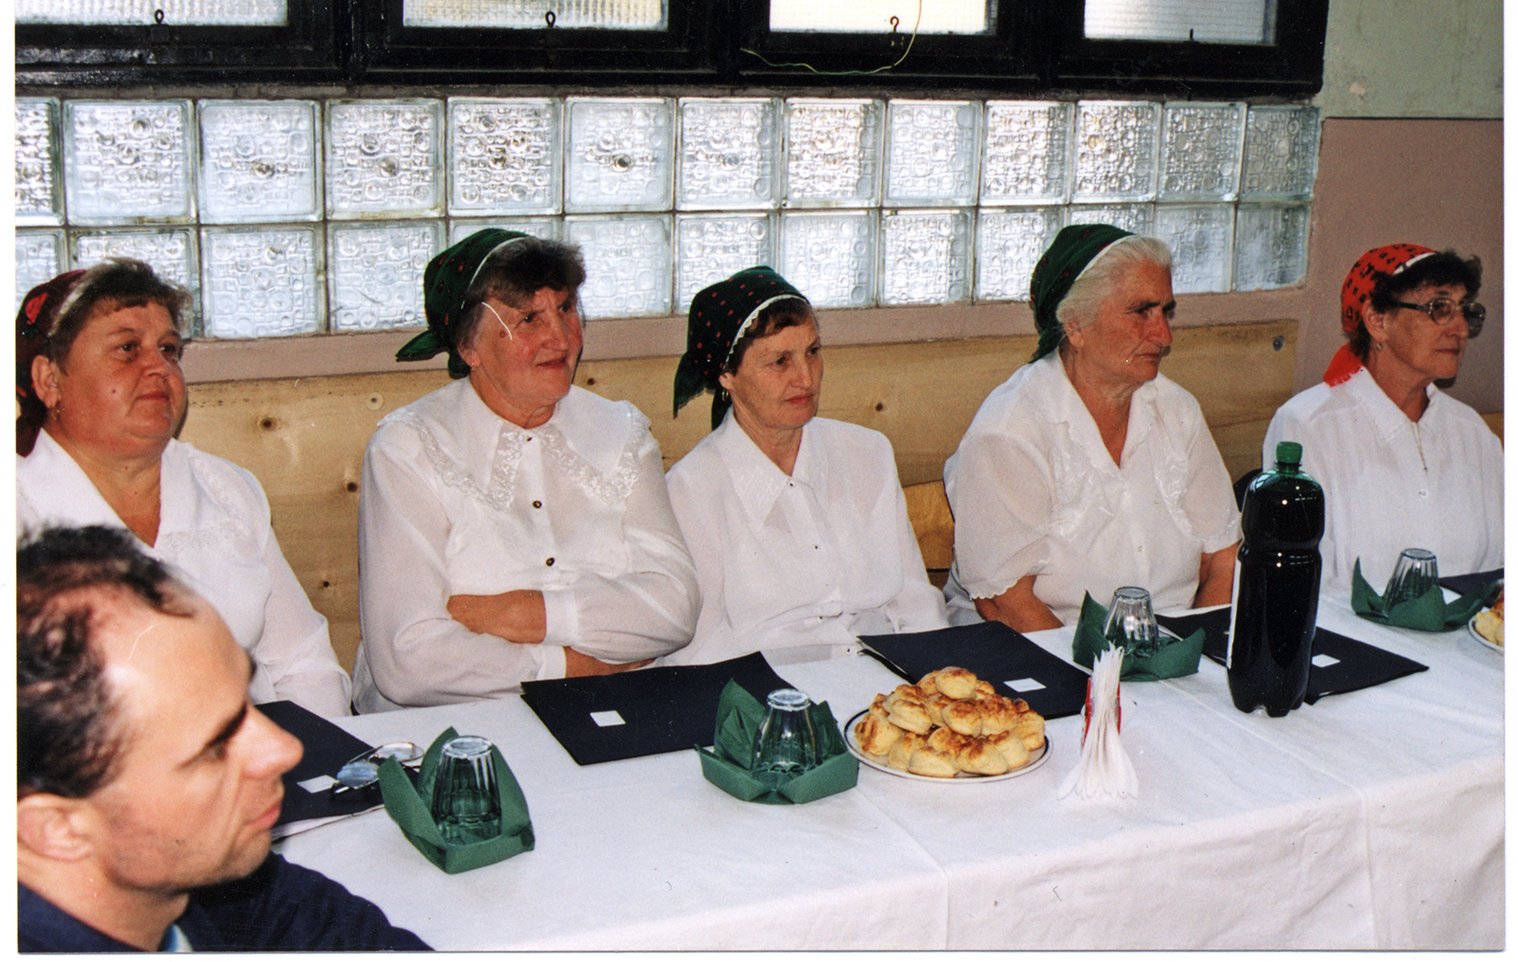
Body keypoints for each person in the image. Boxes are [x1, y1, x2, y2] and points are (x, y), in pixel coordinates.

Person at [17, 524, 428, 952]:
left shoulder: (211, 887)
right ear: (57, 828)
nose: (286, 750)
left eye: (247, 701)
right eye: (213, 749)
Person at [352, 230, 699, 711]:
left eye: (566, 308)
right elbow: (408, 662)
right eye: (529, 319)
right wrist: (570, 667)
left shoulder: (622, 432)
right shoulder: (408, 449)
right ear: (469, 347)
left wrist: (520, 613)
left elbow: (676, 608)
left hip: (613, 708)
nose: (561, 338)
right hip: (455, 722)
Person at [15, 259, 351, 718]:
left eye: (169, 349)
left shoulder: (224, 488)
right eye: (127, 348)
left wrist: (308, 750)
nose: (159, 367)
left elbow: (302, 660)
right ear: (49, 380)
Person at [943, 224, 1241, 631]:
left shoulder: (1177, 411)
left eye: (1166, 312)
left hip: (1168, 649)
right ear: (1076, 326)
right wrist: (1101, 672)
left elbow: (1223, 559)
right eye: (1142, 312)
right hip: (1041, 648)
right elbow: (1006, 603)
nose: (1163, 334)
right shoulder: (1010, 430)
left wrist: (1195, 655)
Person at [662, 267, 949, 665]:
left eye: (812, 352)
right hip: (772, 687)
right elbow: (701, 648)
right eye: (780, 361)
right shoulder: (694, 487)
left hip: (887, 678)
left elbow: (915, 601)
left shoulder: (867, 453)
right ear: (727, 375)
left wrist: (935, 680)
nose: (805, 378)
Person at [1263, 244, 1501, 597]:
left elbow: (1500, 571)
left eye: (1465, 310)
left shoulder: (1472, 432)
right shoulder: (1309, 426)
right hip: (1348, 631)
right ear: (1377, 321)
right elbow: (1296, 586)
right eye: (1439, 308)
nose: (1461, 329)